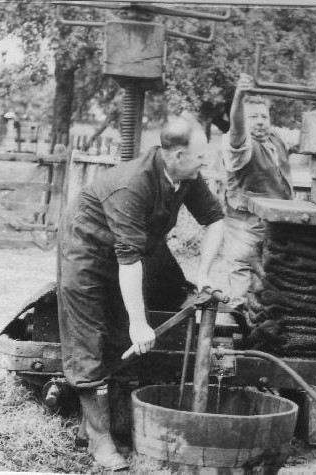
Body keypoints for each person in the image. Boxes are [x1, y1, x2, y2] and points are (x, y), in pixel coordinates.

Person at [57, 116, 224, 470]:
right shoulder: (133, 184)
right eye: (199, 156)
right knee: (89, 338)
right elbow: (129, 261)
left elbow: (215, 219)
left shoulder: (186, 176)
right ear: (177, 155)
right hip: (88, 250)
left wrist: (204, 273)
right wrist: (139, 322)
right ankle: (100, 442)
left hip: (130, 254)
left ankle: (102, 424)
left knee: (121, 339)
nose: (205, 162)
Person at [221, 73, 297, 315]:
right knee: (241, 291)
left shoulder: (277, 139)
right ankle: (236, 335)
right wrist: (239, 96)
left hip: (274, 227)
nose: (261, 122)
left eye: (264, 116)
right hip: (244, 229)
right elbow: (236, 129)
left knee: (270, 285)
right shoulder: (238, 146)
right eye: (253, 117)